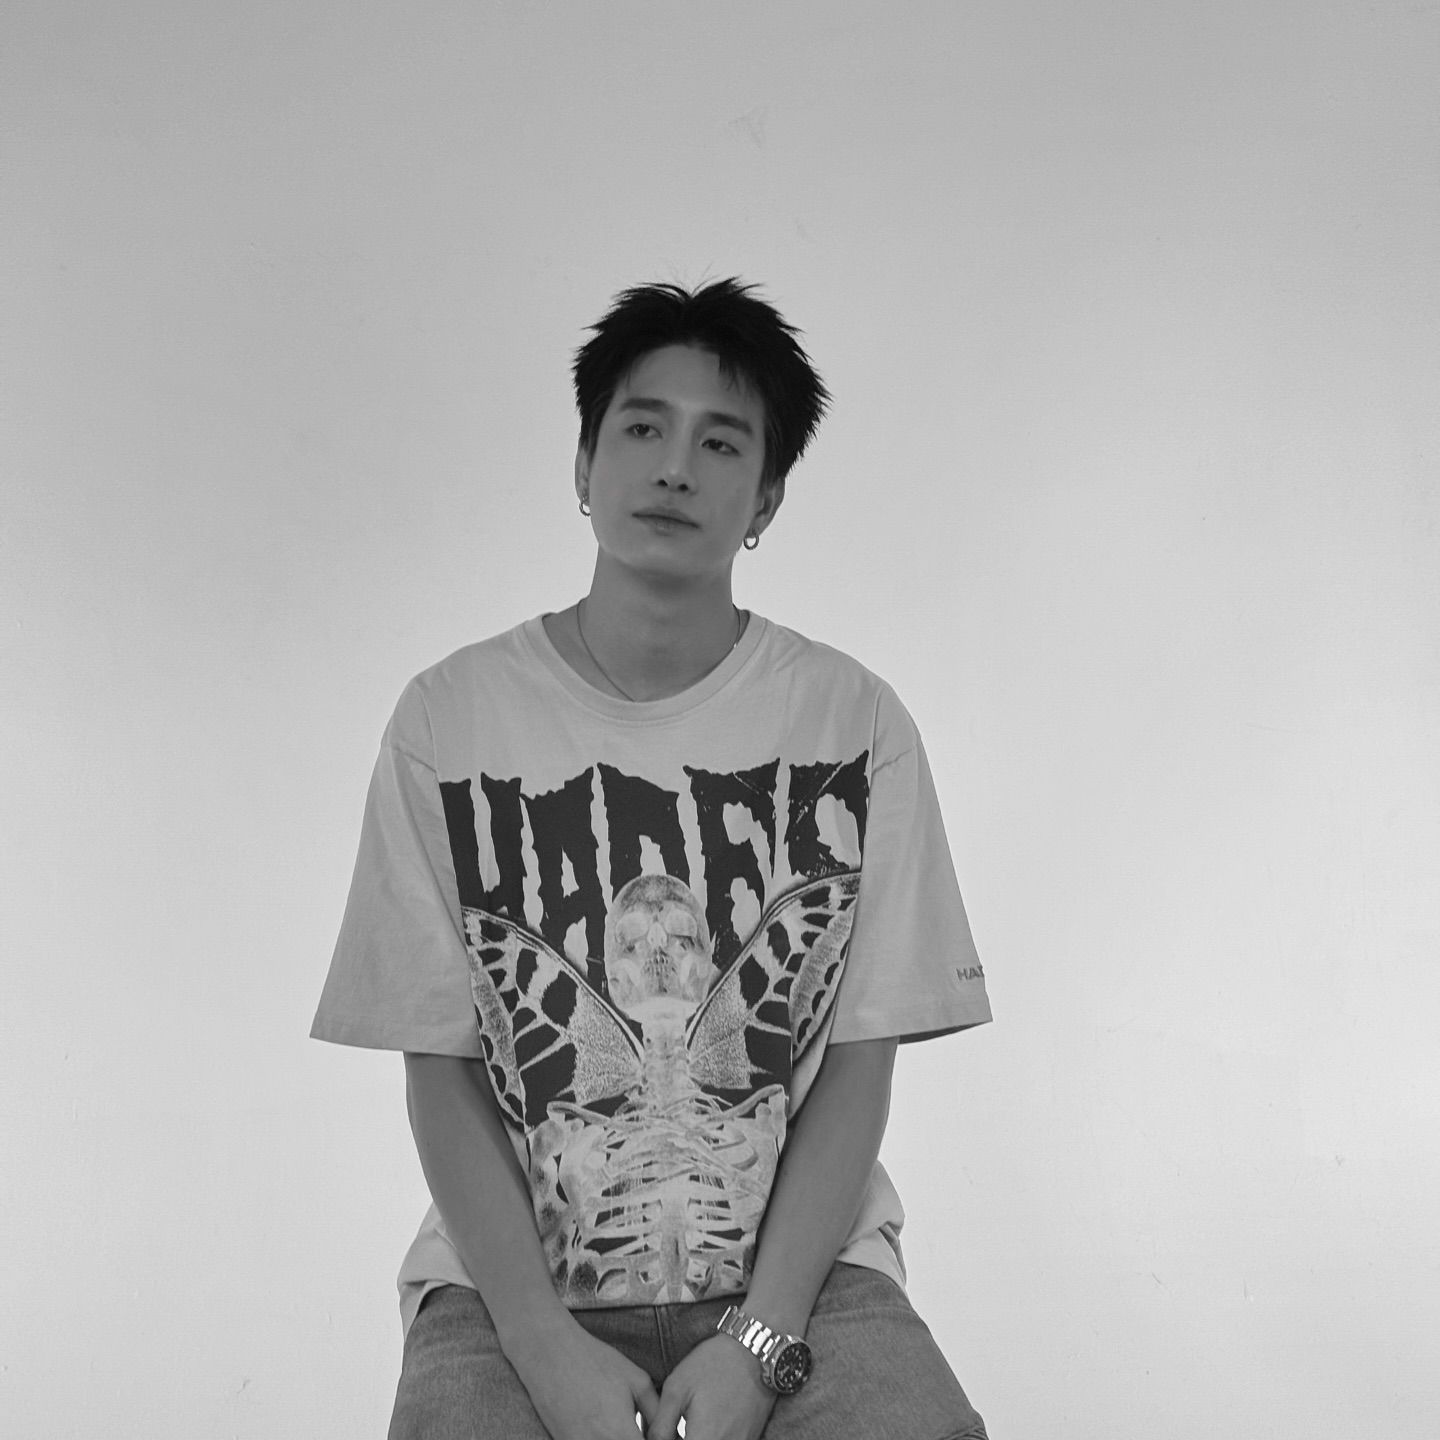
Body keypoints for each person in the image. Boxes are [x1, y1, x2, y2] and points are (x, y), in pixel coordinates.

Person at [311, 277, 993, 1440]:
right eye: (640, 429)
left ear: (766, 497)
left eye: (720, 443)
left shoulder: (855, 722)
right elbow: (441, 1069)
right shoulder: (447, 720)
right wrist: (542, 1350)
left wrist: (761, 1341)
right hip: (509, 1286)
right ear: (583, 467)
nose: (675, 468)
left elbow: (858, 1064)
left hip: (807, 1278)